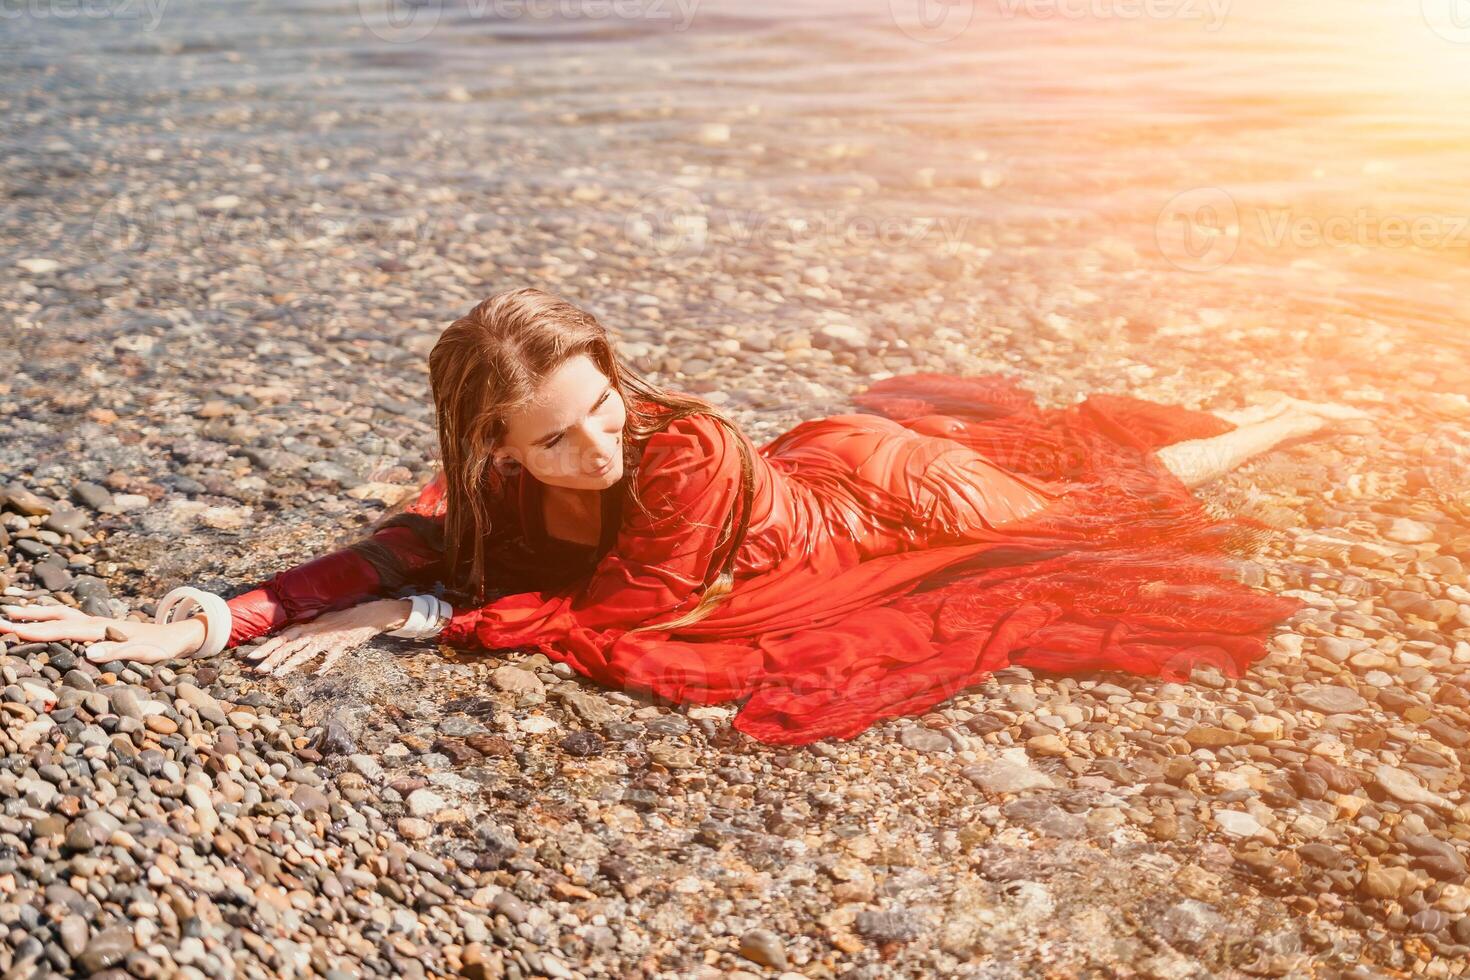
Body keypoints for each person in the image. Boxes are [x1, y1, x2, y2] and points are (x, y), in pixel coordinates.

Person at [0, 287, 1370, 745]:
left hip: (877, 500)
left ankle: (1268, 424)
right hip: (820, 490)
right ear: (492, 445)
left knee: (1093, 495)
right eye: (552, 439)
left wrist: (405, 620)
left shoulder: (686, 451)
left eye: (603, 409)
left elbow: (627, 615)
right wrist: (191, 623)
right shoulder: (491, 487)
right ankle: (1239, 416)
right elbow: (395, 554)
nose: (592, 448)